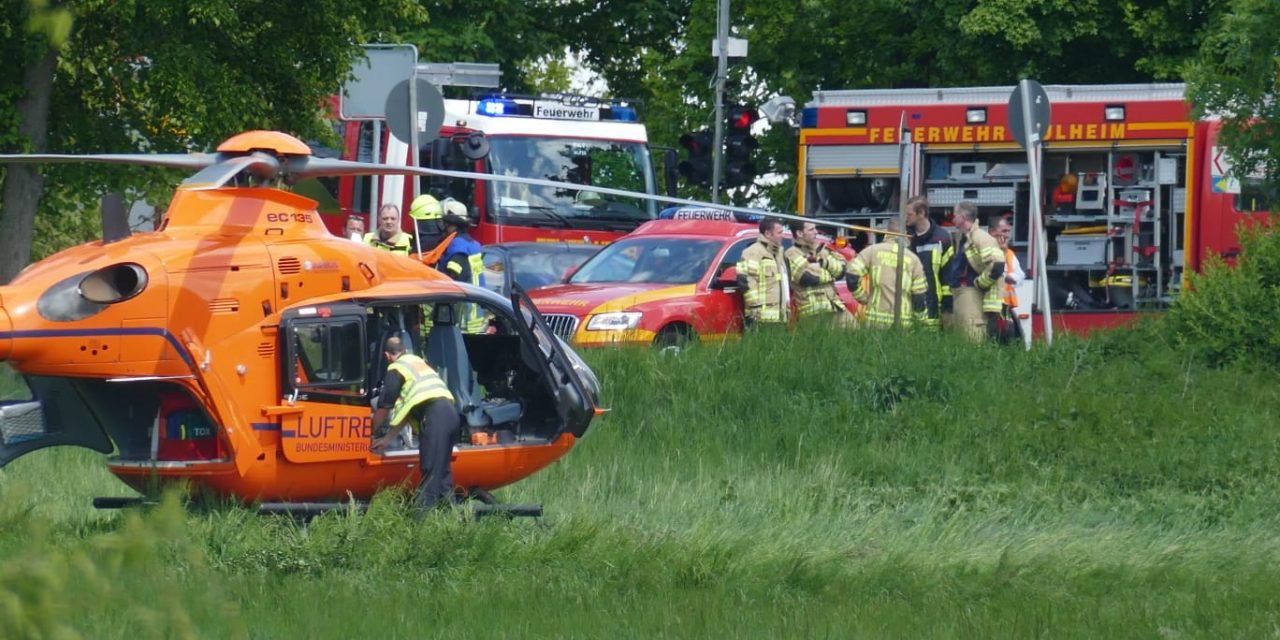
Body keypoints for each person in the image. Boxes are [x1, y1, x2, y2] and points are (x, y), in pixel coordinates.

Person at [370, 335, 461, 509]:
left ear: (387, 356)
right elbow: (408, 409)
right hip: (450, 415)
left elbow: (384, 407)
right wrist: (387, 439)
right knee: (442, 472)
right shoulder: (417, 362)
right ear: (404, 350)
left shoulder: (396, 368)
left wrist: (370, 432)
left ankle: (419, 524)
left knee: (430, 472)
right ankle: (451, 517)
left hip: (435, 417)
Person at [846, 220, 928, 327]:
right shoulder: (913, 260)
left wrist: (864, 298)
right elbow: (919, 297)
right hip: (903, 324)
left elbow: (851, 276)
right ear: (906, 234)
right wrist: (922, 322)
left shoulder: (871, 251)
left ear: (887, 232)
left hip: (874, 322)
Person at [941, 201, 1004, 342]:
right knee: (962, 341)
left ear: (963, 217)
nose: (953, 218)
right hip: (962, 295)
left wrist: (980, 283)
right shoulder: (965, 238)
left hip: (971, 295)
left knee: (972, 339)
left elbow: (998, 265)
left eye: (955, 215)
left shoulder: (980, 237)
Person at [784, 220, 853, 324]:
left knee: (855, 332)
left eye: (815, 228)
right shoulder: (792, 253)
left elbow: (842, 271)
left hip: (834, 305)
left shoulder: (822, 249)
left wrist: (823, 263)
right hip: (813, 313)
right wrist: (831, 274)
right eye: (811, 229)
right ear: (799, 233)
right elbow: (808, 278)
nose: (816, 232)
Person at [438, 199, 488, 333]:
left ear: (452, 225)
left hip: (463, 319)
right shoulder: (472, 244)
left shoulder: (457, 247)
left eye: (445, 224)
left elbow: (454, 280)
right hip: (476, 317)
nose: (443, 227)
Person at [904, 195, 954, 329]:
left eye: (909, 214)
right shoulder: (905, 237)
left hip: (934, 304)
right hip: (908, 305)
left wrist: (947, 307)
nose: (906, 218)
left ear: (921, 213)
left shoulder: (942, 238)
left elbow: (948, 275)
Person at [736, 218, 790, 326]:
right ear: (768, 234)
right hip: (760, 318)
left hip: (780, 317)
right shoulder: (753, 252)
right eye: (779, 232)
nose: (782, 235)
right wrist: (755, 308)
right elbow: (746, 282)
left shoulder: (780, 253)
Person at [991, 214, 1025, 344]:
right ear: (992, 232)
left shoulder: (1009, 254)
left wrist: (1010, 277)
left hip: (1006, 312)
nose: (1007, 236)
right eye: (1004, 231)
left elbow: (1020, 277)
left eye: (1008, 232)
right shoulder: (986, 251)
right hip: (991, 311)